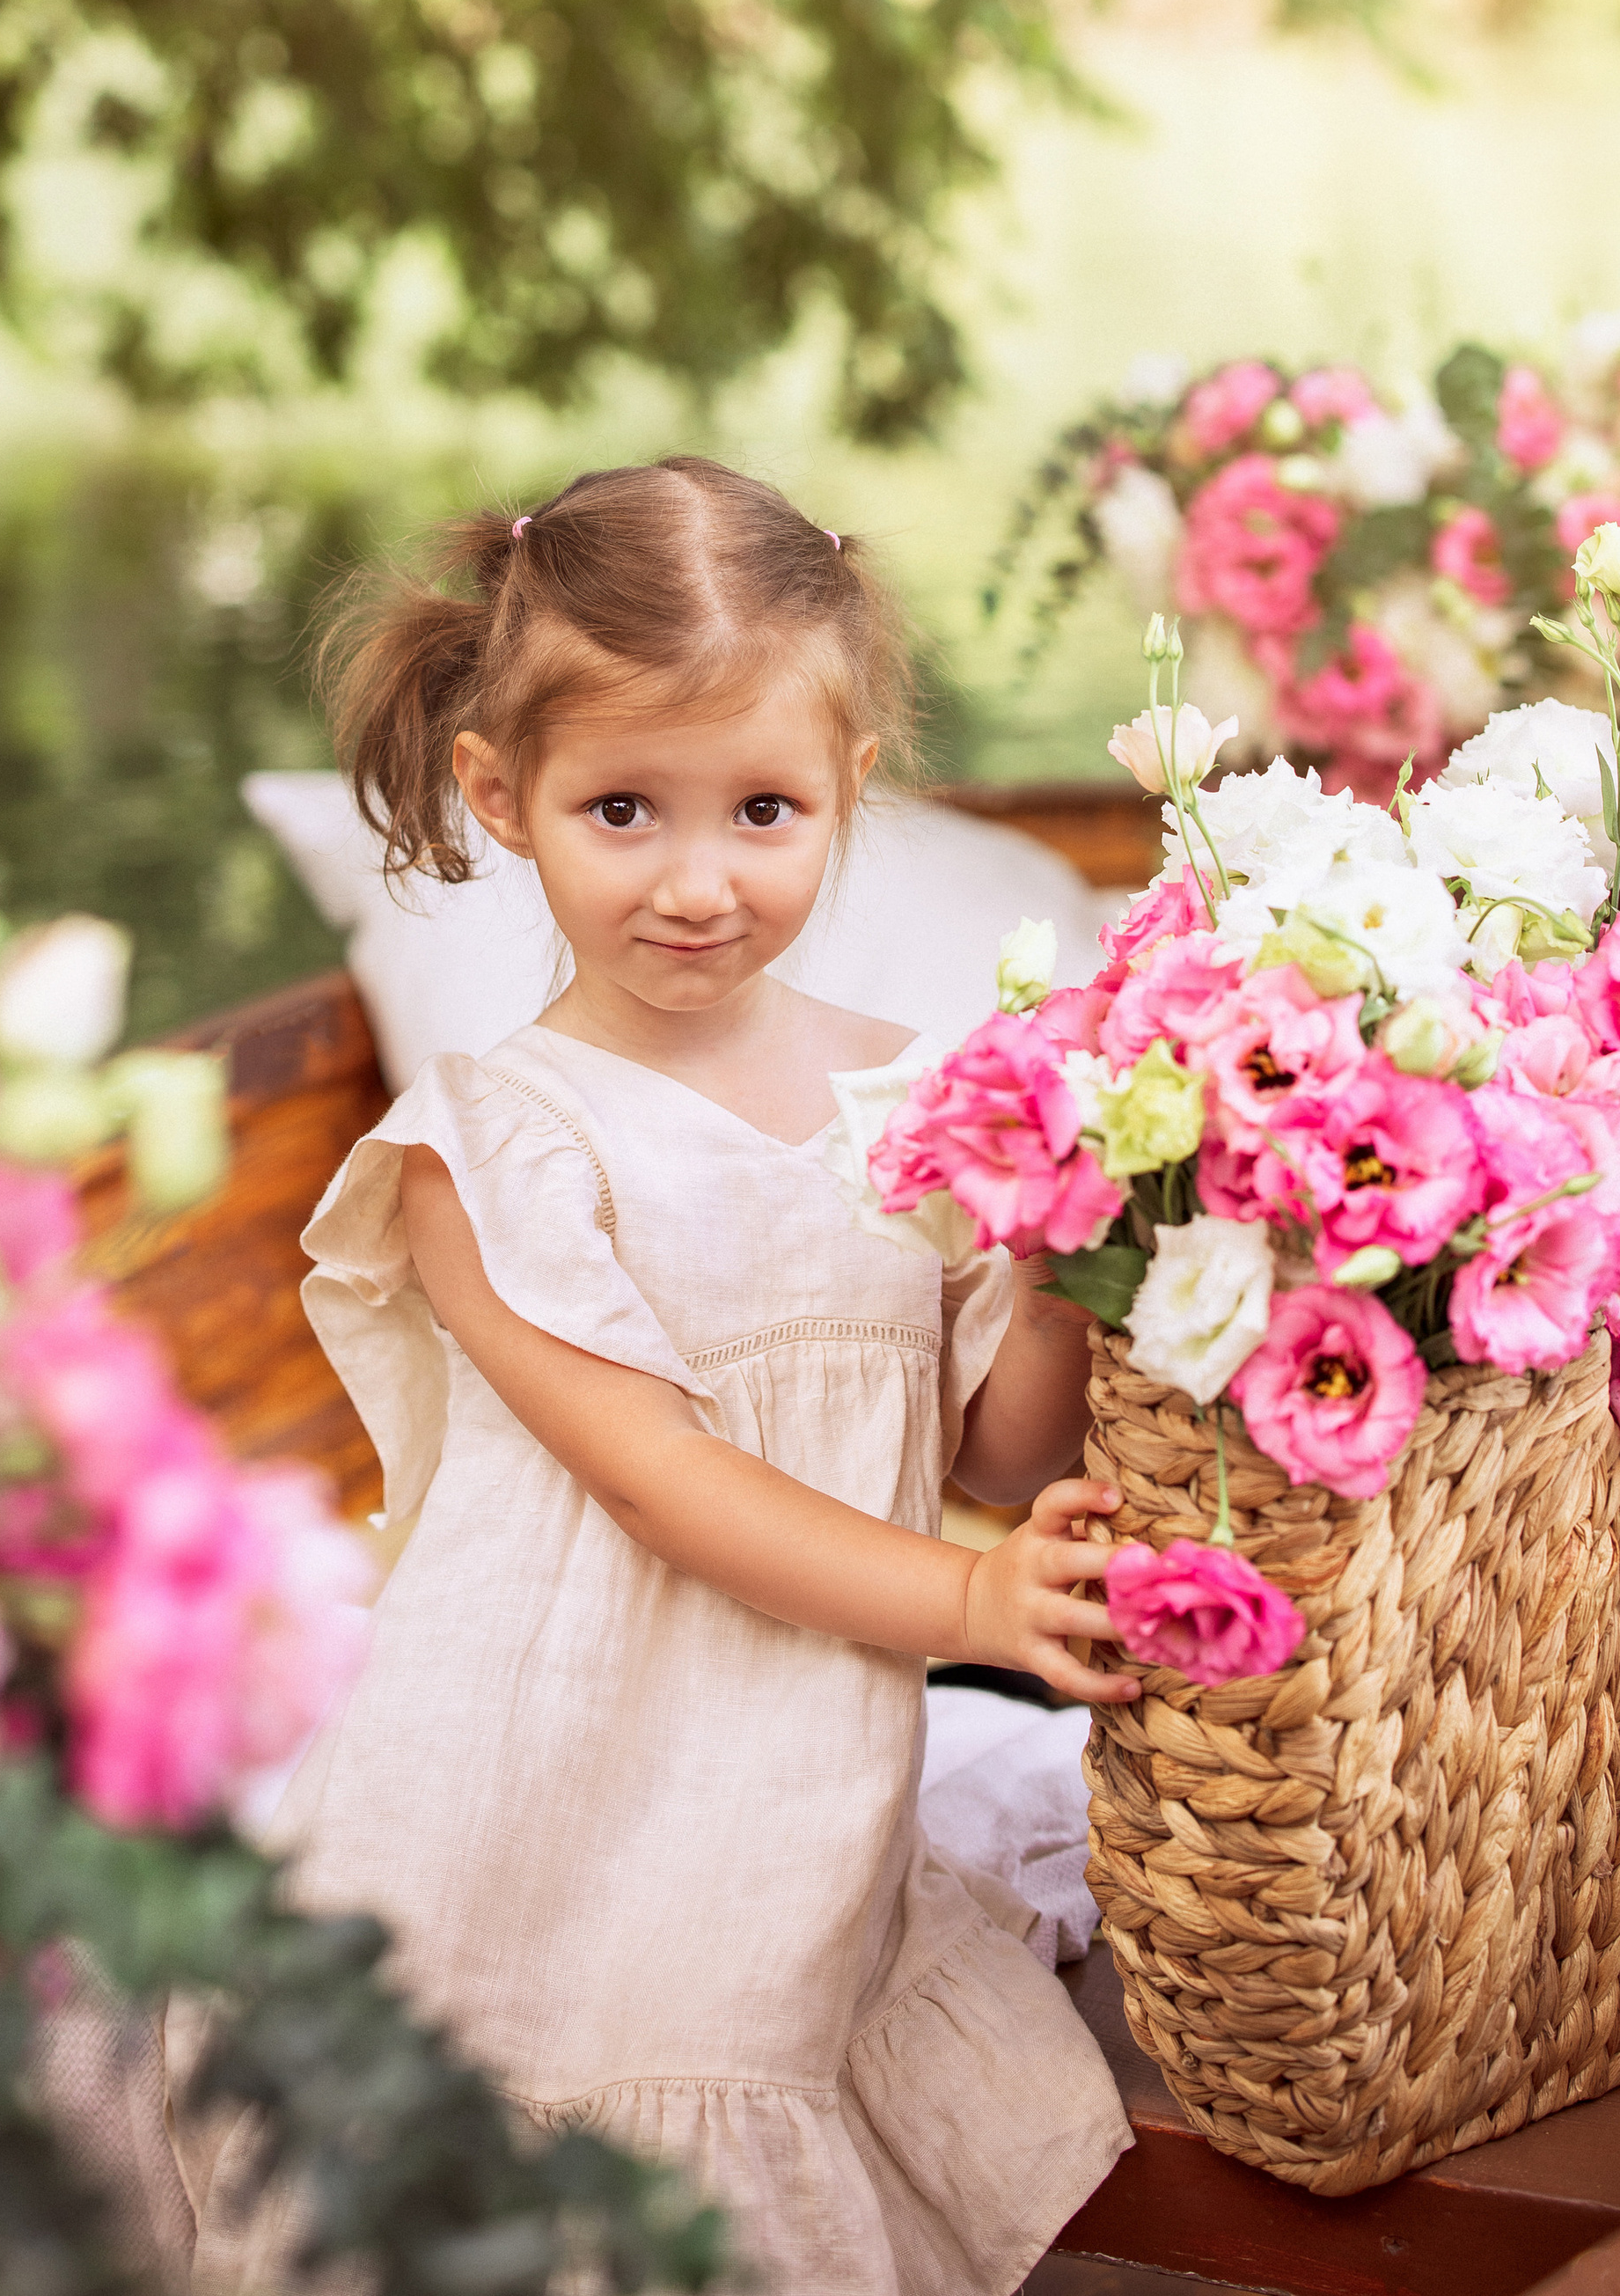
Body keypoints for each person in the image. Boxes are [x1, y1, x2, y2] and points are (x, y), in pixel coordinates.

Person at [177, 458, 1134, 2294]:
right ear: (500, 797)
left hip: (787, 1776)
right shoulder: (490, 1145)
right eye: (623, 807)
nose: (697, 882)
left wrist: (1066, 1261)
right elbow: (654, 1480)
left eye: (760, 807)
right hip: (540, 1791)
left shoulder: (914, 1100)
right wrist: (967, 1598)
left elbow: (998, 1450)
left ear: (849, 787)